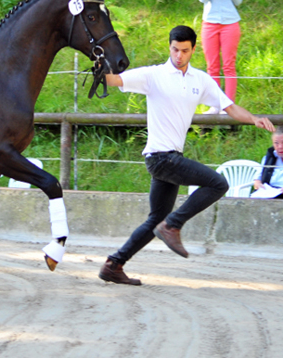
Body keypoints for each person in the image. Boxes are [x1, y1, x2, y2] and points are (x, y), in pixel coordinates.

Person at [98, 25, 274, 286]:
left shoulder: (200, 80)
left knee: (156, 219)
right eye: (174, 49)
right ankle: (173, 226)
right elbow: (114, 80)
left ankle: (114, 264)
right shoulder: (153, 75)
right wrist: (99, 62)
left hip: (170, 158)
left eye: (184, 51)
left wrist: (254, 119)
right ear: (168, 47)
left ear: (193, 49)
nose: (178, 55)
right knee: (218, 183)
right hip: (160, 158)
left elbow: (229, 106)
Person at [197, 0, 243, 114]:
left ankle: (228, 106)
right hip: (210, 22)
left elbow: (238, 0)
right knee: (212, 66)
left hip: (230, 23)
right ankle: (215, 104)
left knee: (229, 65)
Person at [252, 126, 283, 198]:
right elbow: (257, 180)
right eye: (276, 143)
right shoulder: (269, 158)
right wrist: (259, 184)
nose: (280, 146)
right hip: (270, 192)